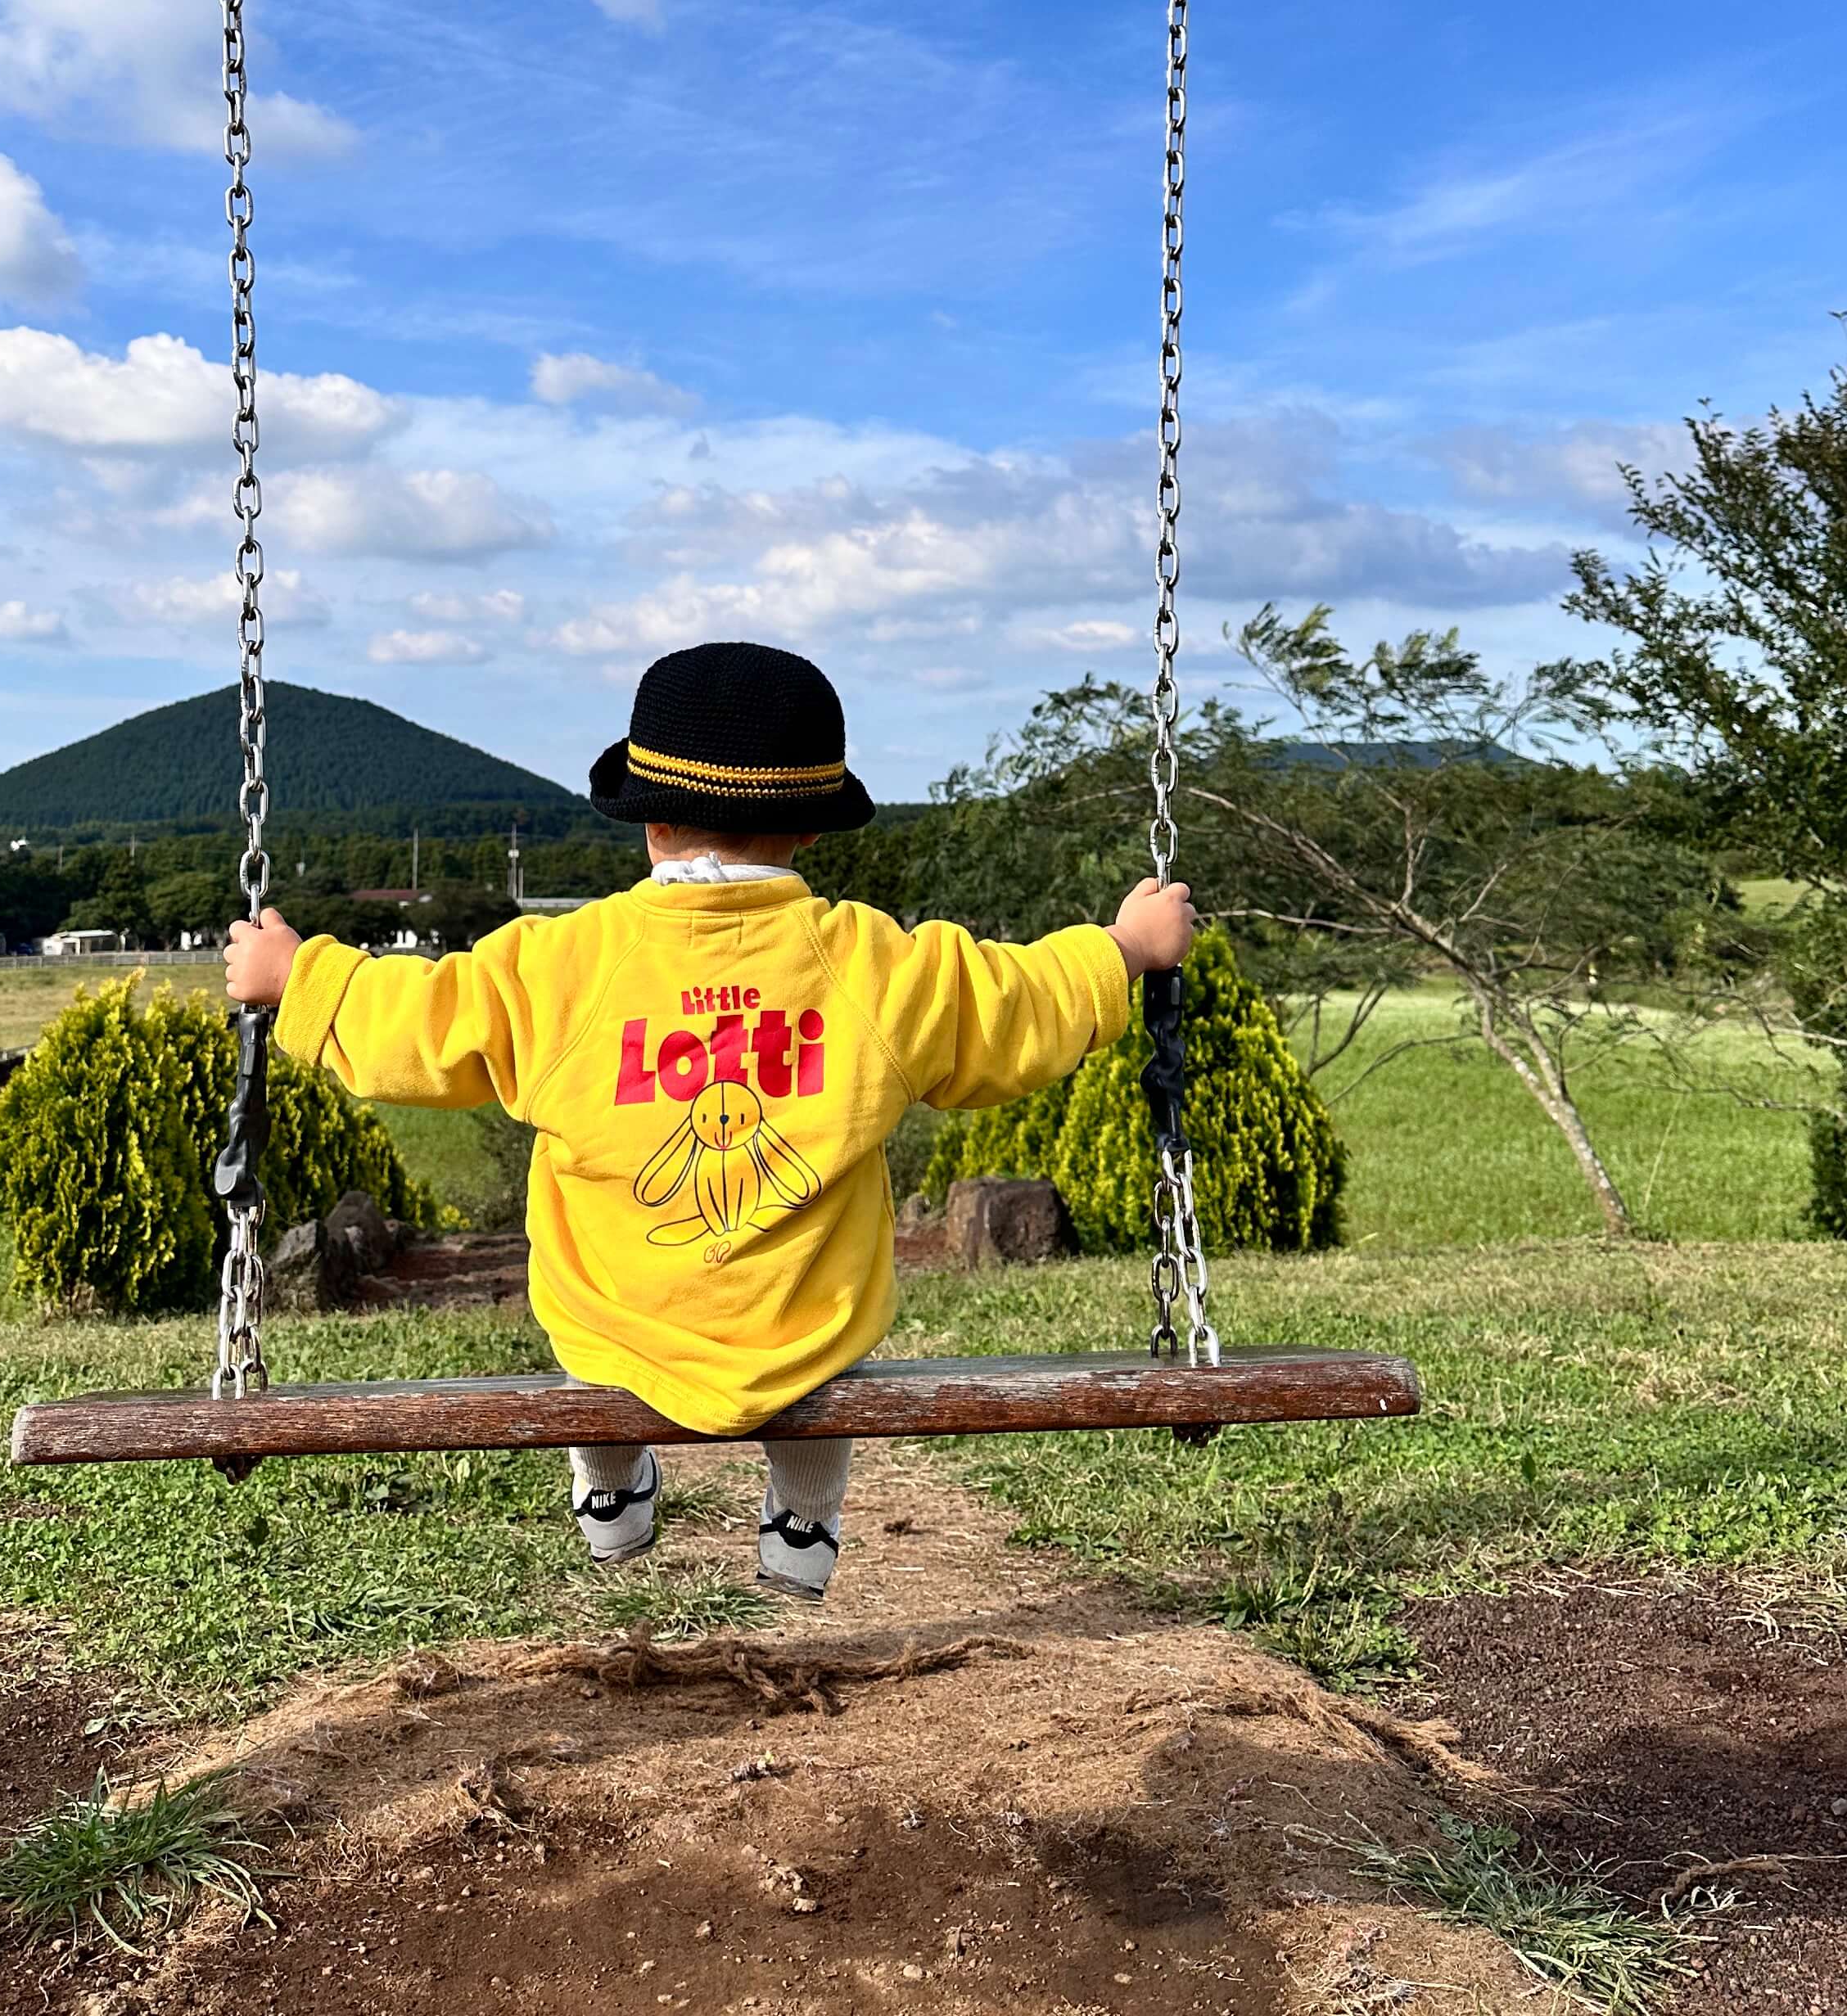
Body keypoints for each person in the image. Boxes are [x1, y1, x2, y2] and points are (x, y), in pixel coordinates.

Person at [224, 638, 1193, 1602]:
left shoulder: (564, 963)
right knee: (823, 1358)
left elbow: (424, 1022)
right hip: (801, 1322)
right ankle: (804, 1518)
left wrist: (299, 979)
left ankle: (612, 1489)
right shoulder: (876, 967)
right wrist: (1124, 949)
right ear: (812, 830)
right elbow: (1014, 1003)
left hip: (617, 1318)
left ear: (648, 827)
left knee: (589, 1353)